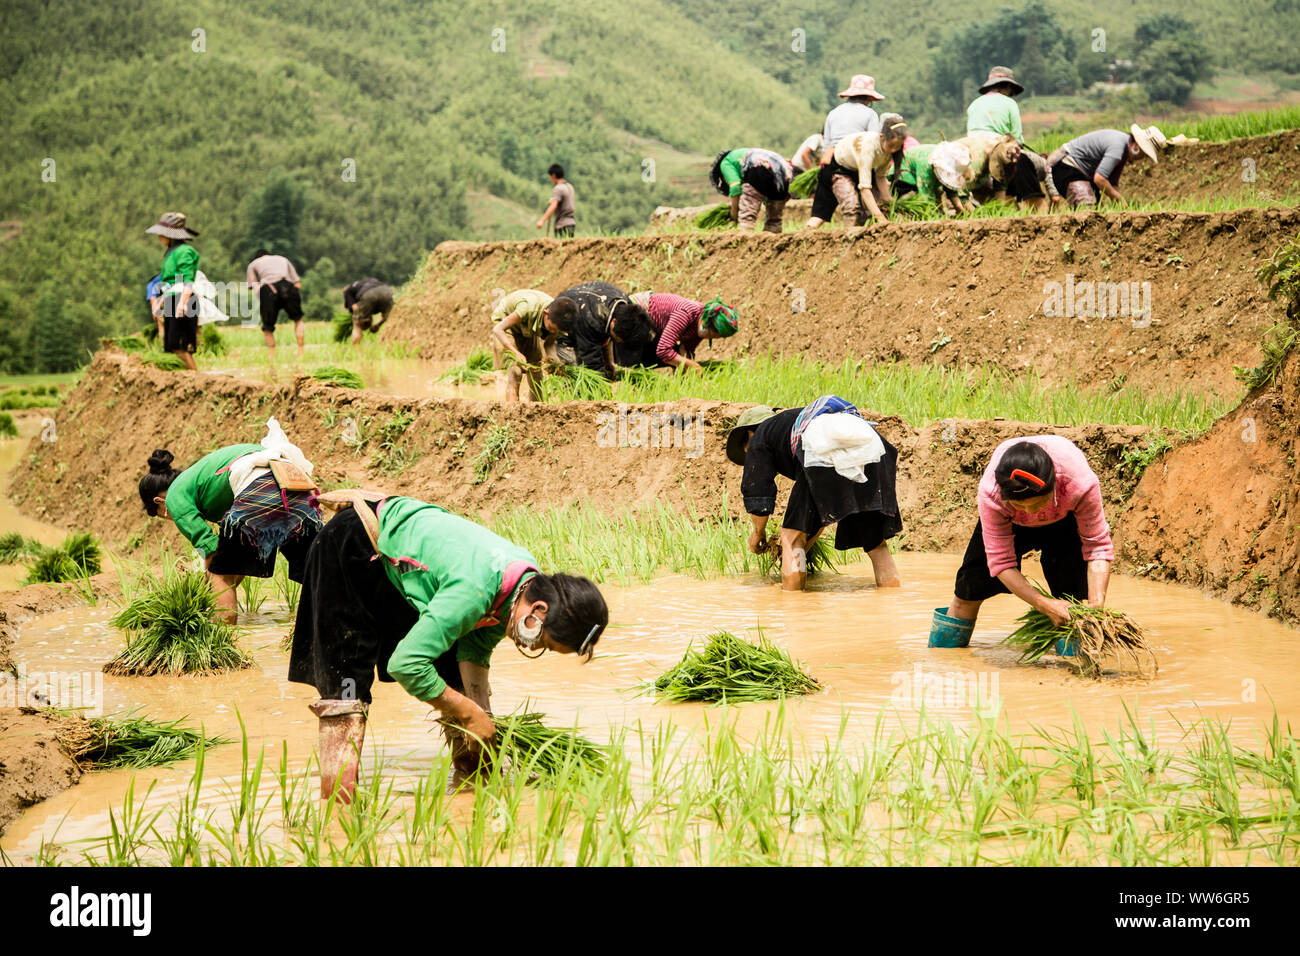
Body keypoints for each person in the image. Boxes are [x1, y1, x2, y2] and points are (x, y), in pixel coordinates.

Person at [288, 490, 609, 800]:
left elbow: (475, 649)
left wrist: (483, 714)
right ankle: (339, 806)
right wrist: (469, 713)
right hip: (354, 547)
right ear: (538, 612)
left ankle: (473, 792)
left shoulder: (522, 587)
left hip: (403, 574)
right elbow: (406, 664)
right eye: (547, 644)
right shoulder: (476, 588)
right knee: (347, 688)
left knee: (453, 679)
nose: (538, 648)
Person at [929, 436, 1114, 649]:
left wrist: (1096, 606)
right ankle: (944, 657)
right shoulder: (992, 492)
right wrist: (1043, 604)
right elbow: (1000, 562)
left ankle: (1075, 669)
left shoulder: (1079, 483)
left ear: (1054, 485)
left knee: (1069, 599)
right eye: (1021, 506)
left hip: (1064, 520)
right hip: (1010, 524)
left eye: (1038, 503)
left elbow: (1098, 546)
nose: (1031, 512)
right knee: (968, 591)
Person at [136, 422, 323, 624]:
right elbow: (237, 563)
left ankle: (224, 642)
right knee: (314, 570)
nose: (171, 517)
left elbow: (211, 548)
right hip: (295, 487)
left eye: (164, 516)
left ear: (159, 502)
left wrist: (203, 592)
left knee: (220, 575)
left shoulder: (174, 497)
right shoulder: (202, 479)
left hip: (258, 487)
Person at [726, 396, 903, 592]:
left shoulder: (761, 435)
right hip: (872, 447)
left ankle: (794, 608)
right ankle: (890, 598)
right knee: (876, 543)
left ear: (750, 433)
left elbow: (756, 489)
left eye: (746, 449)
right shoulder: (795, 424)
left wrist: (759, 534)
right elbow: (821, 511)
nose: (748, 453)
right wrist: (803, 545)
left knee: (790, 537)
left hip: (823, 449)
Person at [806, 74, 884, 228]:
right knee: (856, 210)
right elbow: (873, 143)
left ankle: (802, 240)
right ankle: (849, 245)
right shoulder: (870, 114)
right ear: (869, 98)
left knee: (818, 216)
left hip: (830, 163)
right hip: (855, 163)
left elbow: (826, 143)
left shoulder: (833, 113)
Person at [489, 289, 577, 401]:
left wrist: (555, 363)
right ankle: (511, 413)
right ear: (545, 313)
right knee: (516, 371)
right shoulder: (527, 308)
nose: (553, 332)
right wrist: (516, 352)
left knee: (536, 371)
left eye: (556, 331)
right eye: (551, 328)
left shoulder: (556, 319)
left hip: (525, 327)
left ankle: (536, 410)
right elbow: (498, 329)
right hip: (505, 323)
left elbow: (549, 345)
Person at [1046, 124, 1166, 208]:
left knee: (1097, 211)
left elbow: (1112, 183)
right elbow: (1100, 179)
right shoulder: (1117, 148)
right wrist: (1119, 200)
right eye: (1144, 155)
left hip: (1082, 172)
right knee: (1086, 207)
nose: (1142, 159)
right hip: (1067, 166)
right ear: (1136, 148)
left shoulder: (1124, 149)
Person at [553, 281, 652, 378]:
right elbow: (591, 362)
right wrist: (603, 384)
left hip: (587, 309)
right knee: (578, 374)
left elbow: (606, 337)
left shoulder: (626, 306)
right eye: (618, 338)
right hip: (563, 325)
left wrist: (610, 364)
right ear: (614, 322)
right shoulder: (591, 321)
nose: (619, 341)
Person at [622, 292, 739, 372]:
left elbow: (685, 351)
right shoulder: (686, 313)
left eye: (716, 336)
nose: (710, 336)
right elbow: (663, 350)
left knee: (677, 356)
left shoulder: (699, 329)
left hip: (654, 331)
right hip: (635, 317)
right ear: (707, 320)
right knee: (641, 361)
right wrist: (694, 366)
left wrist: (686, 377)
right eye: (713, 331)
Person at [828, 113, 909, 225]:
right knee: (852, 207)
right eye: (891, 146)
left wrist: (888, 200)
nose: (894, 150)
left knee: (874, 206)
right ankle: (849, 238)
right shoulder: (867, 148)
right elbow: (865, 188)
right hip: (840, 168)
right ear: (882, 136)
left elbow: (880, 176)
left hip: (861, 167)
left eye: (898, 147)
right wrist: (880, 218)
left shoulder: (888, 152)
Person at [145, 212, 201, 371]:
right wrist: (160, 304)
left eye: (162, 234)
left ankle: (196, 379)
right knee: (172, 346)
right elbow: (170, 284)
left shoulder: (185, 251)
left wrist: (183, 303)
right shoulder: (170, 253)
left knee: (181, 346)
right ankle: (188, 379)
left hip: (183, 299)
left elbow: (187, 280)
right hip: (172, 298)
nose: (159, 237)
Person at [709, 148, 794, 232]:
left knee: (748, 213)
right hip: (784, 169)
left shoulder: (725, 162)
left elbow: (735, 187)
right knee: (774, 220)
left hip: (758, 167)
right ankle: (772, 233)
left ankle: (745, 233)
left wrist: (734, 214)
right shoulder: (740, 154)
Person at [246, 249, 305, 360]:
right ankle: (301, 352)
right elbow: (297, 284)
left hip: (268, 290)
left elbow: (255, 288)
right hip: (287, 287)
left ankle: (271, 356)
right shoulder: (283, 259)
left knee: (267, 327)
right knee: (298, 319)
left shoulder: (253, 264)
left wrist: (265, 300)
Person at [965, 66, 1025, 143]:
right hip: (996, 142)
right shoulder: (1010, 103)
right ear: (1008, 86)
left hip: (971, 140)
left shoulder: (974, 104)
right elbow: (1017, 135)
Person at [342, 277, 394, 348]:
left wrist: (363, 321)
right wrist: (378, 325)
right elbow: (385, 315)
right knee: (390, 317)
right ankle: (391, 345)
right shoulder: (364, 282)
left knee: (357, 324)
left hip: (369, 294)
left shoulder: (347, 291)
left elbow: (355, 308)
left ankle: (356, 349)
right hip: (386, 290)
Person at [537, 164, 576, 237]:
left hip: (562, 224)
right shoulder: (570, 187)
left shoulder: (558, 188)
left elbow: (554, 205)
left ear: (554, 176)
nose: (550, 179)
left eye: (550, 177)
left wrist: (542, 221)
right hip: (571, 223)